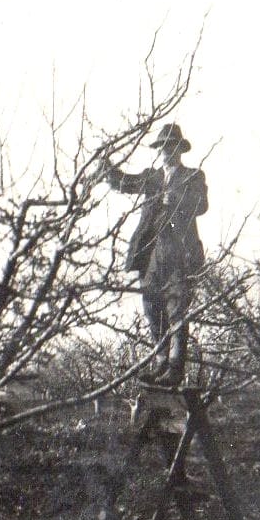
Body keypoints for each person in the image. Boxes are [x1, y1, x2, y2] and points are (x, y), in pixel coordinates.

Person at [98, 123, 208, 386]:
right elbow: (124, 183)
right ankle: (161, 364)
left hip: (180, 253)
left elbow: (202, 205)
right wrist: (105, 164)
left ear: (180, 149)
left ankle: (174, 369)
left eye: (170, 146)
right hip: (150, 255)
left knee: (177, 311)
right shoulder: (152, 177)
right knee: (152, 309)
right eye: (162, 147)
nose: (165, 152)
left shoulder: (193, 176)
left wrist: (177, 198)